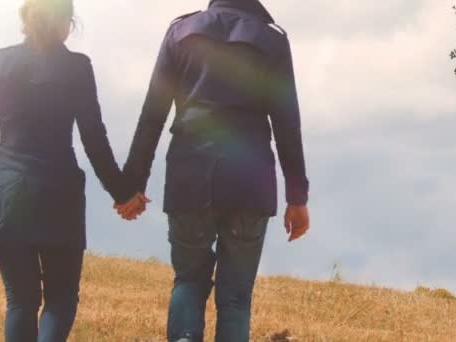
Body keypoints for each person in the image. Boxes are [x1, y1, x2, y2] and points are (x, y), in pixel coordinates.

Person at [116, 0, 311, 340]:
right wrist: (298, 197)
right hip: (250, 185)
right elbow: (287, 124)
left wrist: (133, 185)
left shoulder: (180, 32)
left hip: (189, 177)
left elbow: (153, 114)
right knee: (235, 298)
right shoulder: (273, 40)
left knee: (189, 282)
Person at [0, 0, 146, 341]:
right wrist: (124, 193)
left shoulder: (3, 62)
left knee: (20, 299)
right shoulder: (76, 68)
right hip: (59, 195)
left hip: (8, 193)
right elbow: (94, 138)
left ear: (25, 20)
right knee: (61, 298)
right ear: (66, 24)